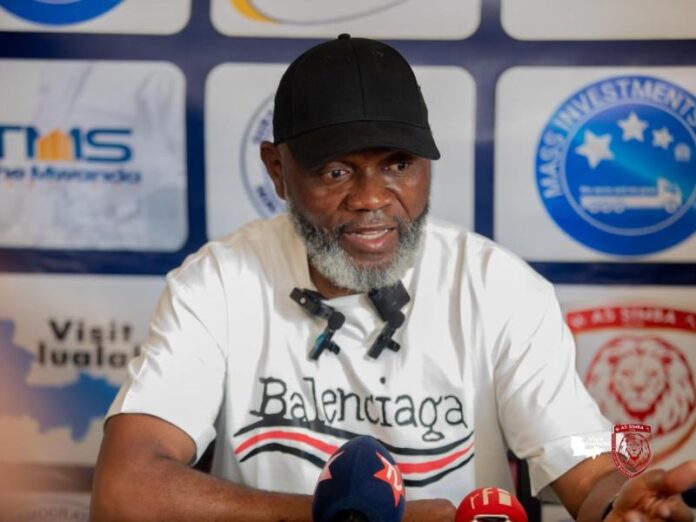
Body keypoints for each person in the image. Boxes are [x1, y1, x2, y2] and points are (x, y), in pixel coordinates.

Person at [91, 35, 696, 521]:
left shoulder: (501, 289)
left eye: (398, 165)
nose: (372, 199)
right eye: (335, 171)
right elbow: (124, 491)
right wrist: (351, 518)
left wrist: (620, 504)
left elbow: (589, 470)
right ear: (277, 169)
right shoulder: (216, 285)